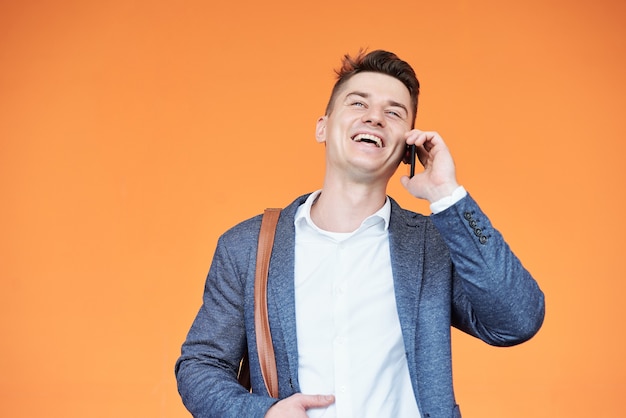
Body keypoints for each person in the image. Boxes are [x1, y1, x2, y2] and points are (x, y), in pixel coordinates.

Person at [175, 49, 545, 418]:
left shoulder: (433, 245)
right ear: (322, 127)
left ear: (408, 148)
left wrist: (448, 195)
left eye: (394, 112)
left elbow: (518, 319)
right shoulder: (247, 247)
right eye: (358, 103)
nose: (374, 117)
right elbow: (200, 365)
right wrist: (264, 414)